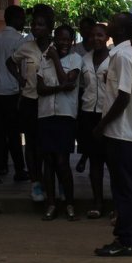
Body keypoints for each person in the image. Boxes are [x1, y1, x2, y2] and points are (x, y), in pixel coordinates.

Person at [92, 12, 132, 257]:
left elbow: (123, 97)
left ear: (121, 30)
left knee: (123, 189)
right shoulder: (125, 55)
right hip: (126, 132)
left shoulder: (123, 56)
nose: (108, 22)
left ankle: (124, 239)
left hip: (121, 133)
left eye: (113, 20)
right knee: (129, 188)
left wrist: (102, 124)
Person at [36, 24, 82, 221]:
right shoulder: (42, 60)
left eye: (67, 39)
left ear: (72, 41)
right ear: (55, 39)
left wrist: (55, 59)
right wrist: (60, 87)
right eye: (60, 39)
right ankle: (51, 204)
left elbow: (69, 83)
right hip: (46, 115)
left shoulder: (75, 59)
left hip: (65, 116)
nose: (63, 43)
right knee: (48, 162)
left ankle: (69, 203)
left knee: (62, 162)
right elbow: (40, 89)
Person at [9, 6, 53, 203]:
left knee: (47, 145)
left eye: (41, 25)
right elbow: (9, 62)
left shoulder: (56, 48)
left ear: (49, 28)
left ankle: (49, 181)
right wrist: (20, 78)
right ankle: (35, 182)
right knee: (31, 144)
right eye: (34, 24)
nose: (36, 28)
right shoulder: (26, 47)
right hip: (29, 100)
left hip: (50, 102)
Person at [0, 5, 29, 184]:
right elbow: (23, 67)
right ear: (17, 19)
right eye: (22, 18)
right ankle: (19, 169)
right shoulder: (19, 40)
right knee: (13, 133)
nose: (24, 22)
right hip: (10, 91)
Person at [77, 23, 110, 219]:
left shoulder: (114, 59)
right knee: (95, 161)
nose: (96, 38)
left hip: (109, 114)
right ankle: (97, 202)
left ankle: (117, 203)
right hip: (89, 113)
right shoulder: (84, 60)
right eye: (92, 35)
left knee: (113, 161)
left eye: (100, 35)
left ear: (107, 37)